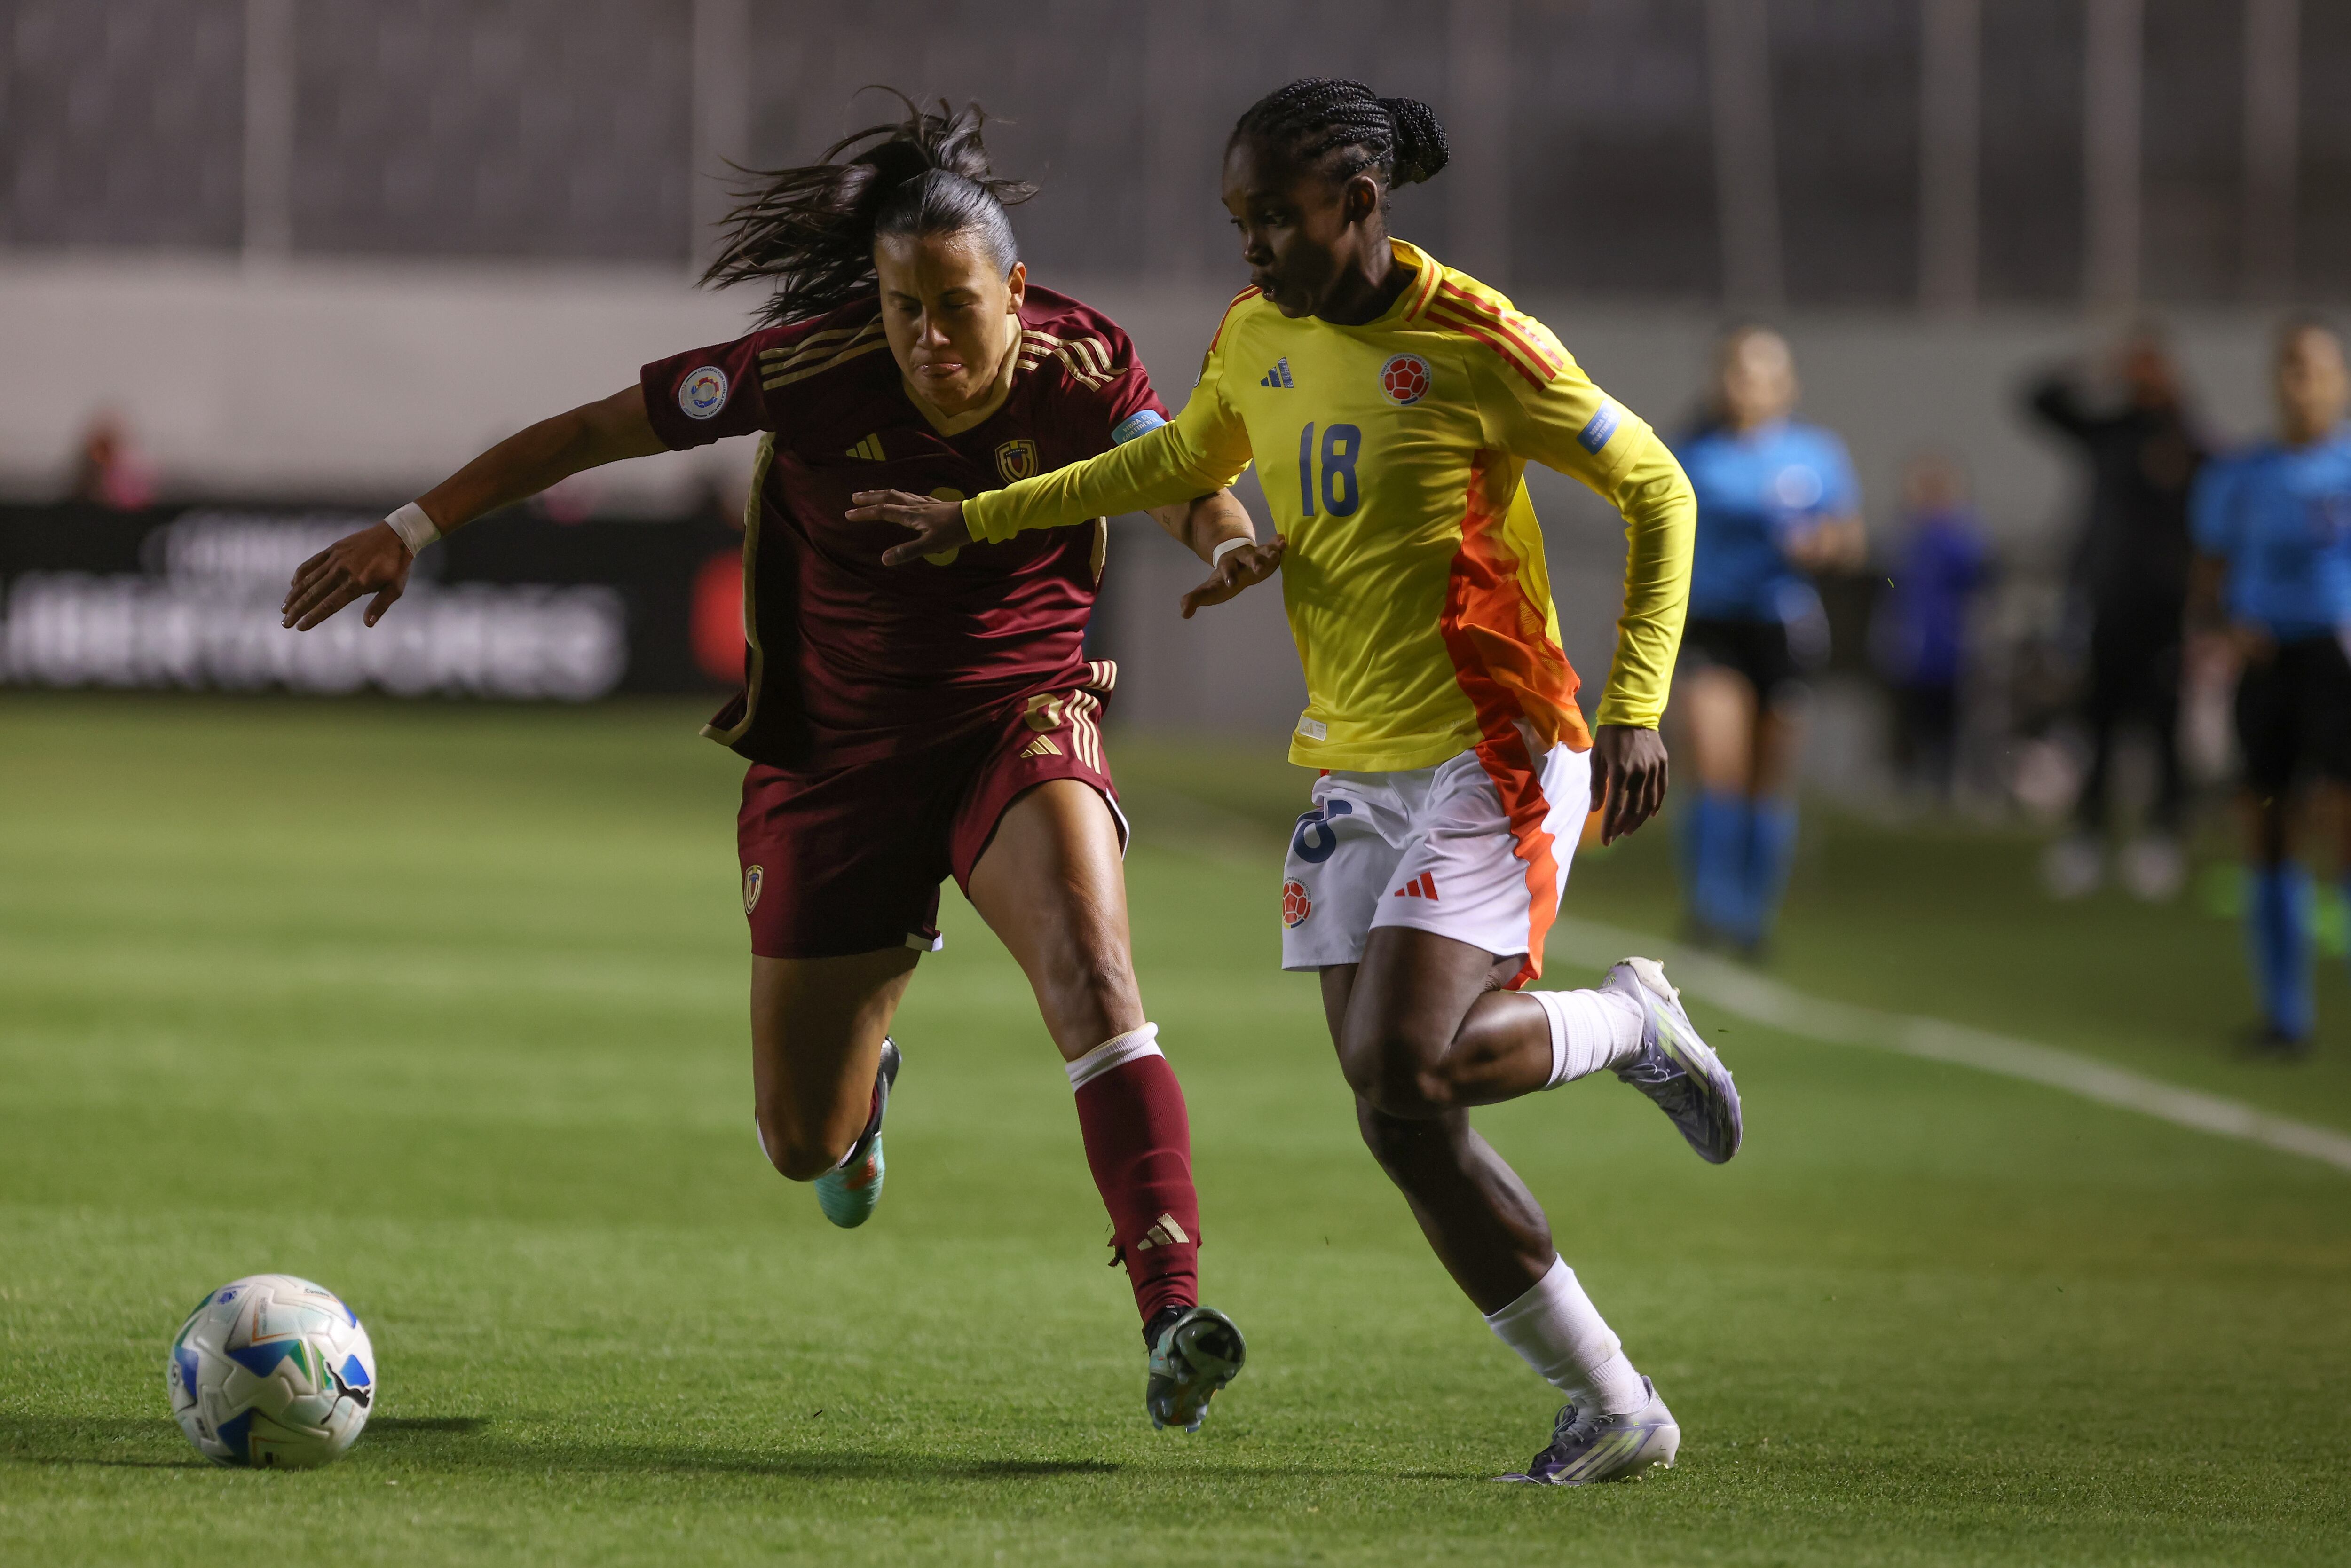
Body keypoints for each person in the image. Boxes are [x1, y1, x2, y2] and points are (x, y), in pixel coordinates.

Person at [277, 95, 1260, 1432]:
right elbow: (587, 433)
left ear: (1016, 291)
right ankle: (864, 1113)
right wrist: (413, 523)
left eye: (955, 306)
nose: (926, 336)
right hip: (836, 761)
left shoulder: (1084, 366)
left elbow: (1180, 465)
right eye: (904, 304)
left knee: (1095, 972)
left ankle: (1172, 1306)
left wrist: (1225, 537)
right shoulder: (807, 368)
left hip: (1014, 719)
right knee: (802, 1138)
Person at [853, 78, 1740, 1486]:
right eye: (1236, 219)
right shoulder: (1254, 336)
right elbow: (1175, 458)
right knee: (1395, 1113)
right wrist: (973, 520)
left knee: (1412, 1057)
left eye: (1272, 217)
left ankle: (1628, 1020)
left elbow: (1659, 491)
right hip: (1352, 764)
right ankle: (1613, 1404)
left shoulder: (1476, 338)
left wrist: (1635, 705)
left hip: (1495, 738)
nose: (1249, 245)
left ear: (1359, 203)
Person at [2187, 316, 2351, 1056]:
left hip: (2339, 663)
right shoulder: (2241, 474)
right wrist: (2225, 623)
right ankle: (2285, 1015)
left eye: (2316, 367)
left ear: (2340, 380)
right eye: (2290, 366)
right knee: (2268, 825)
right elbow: (2209, 576)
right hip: (2267, 666)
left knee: (2343, 824)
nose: (2302, 382)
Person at [1671, 327, 1864, 952]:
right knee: (1717, 763)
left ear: (1786, 384)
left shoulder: (1817, 454)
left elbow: (1850, 539)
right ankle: (1709, 906)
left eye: (1762, 374)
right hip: (1715, 623)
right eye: (1738, 373)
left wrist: (1824, 545)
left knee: (1768, 777)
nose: (1748, 386)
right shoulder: (1697, 454)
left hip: (1783, 624)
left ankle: (1755, 919)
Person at [2026, 328, 2205, 900]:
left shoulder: (2186, 440)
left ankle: (2161, 837)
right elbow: (2037, 400)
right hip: (2106, 602)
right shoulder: (2107, 432)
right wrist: (2088, 369)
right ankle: (2087, 838)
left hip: (2165, 610)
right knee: (2096, 724)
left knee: (2161, 728)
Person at [1872, 451, 1990, 804]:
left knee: (1945, 720)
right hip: (1909, 646)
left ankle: (1942, 788)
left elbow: (1978, 580)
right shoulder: (1906, 539)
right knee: (1907, 719)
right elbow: (1891, 584)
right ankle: (1907, 783)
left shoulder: (1960, 537)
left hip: (1948, 646)